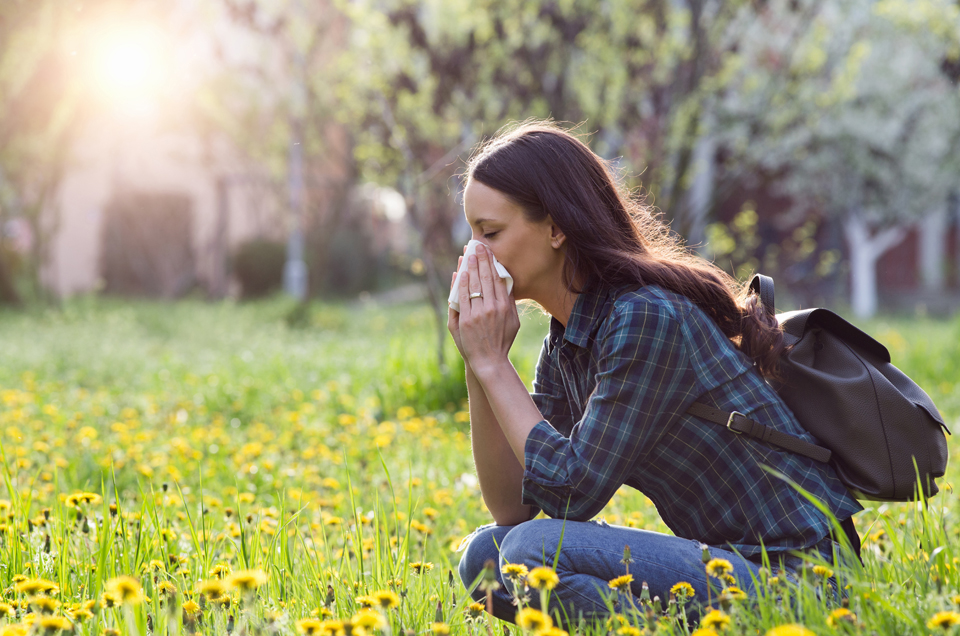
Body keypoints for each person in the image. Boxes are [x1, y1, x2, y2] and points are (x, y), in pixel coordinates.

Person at [448, 121, 862, 627]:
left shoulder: (643, 317)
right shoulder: (568, 340)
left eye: (490, 233)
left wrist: (494, 364)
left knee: (531, 552)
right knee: (485, 557)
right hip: (728, 566)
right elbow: (513, 507)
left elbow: (572, 494)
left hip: (803, 580)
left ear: (555, 228)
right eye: (471, 234)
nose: (474, 254)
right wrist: (479, 364)